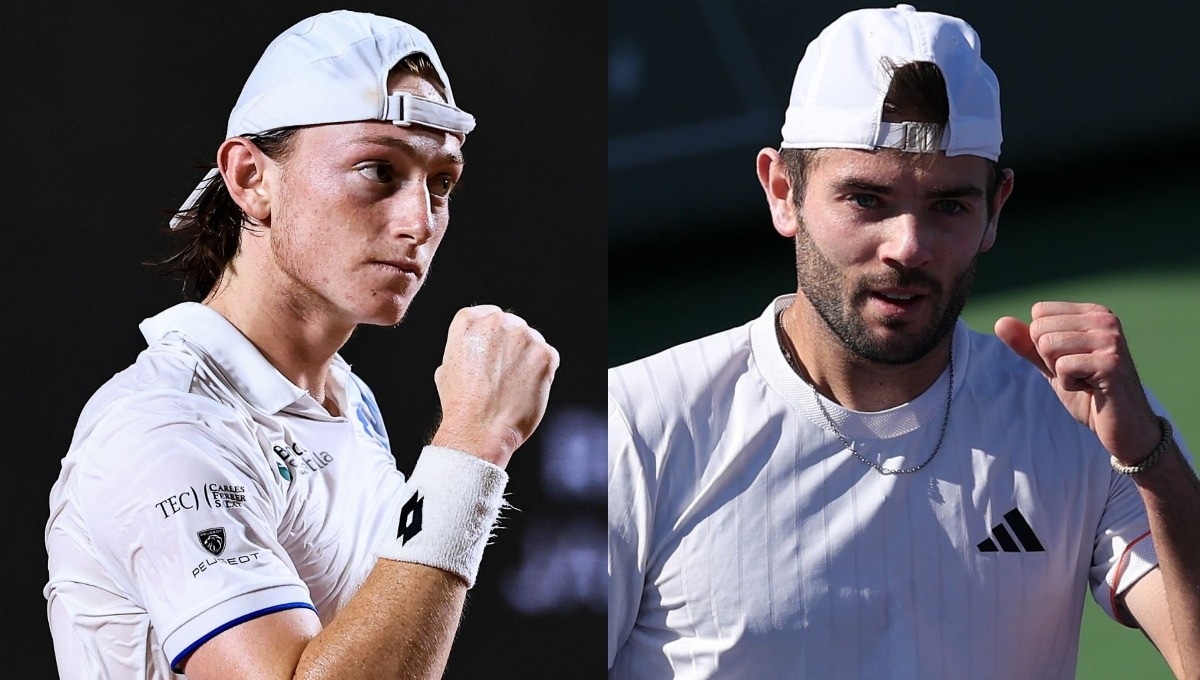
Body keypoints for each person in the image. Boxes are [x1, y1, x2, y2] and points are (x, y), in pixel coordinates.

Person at [607, 4, 1200, 679]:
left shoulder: (1087, 426)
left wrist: (1151, 458)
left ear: (993, 210)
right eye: (867, 200)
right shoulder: (636, 424)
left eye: (949, 206)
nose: (908, 247)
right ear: (782, 192)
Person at [44, 10, 558, 679]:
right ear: (252, 177)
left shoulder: (345, 399)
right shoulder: (163, 427)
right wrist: (470, 447)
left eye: (441, 183)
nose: (420, 222)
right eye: (378, 170)